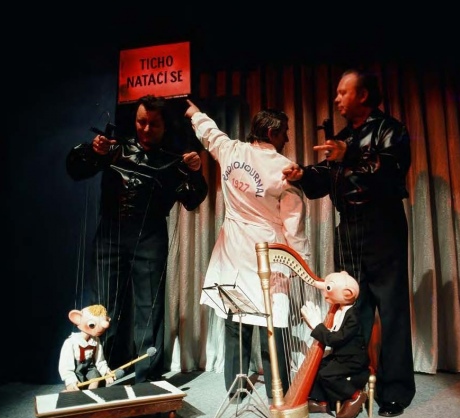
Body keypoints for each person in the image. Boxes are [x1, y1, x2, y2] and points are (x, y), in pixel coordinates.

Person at [282, 68, 416, 417]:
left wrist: (349, 153)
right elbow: (325, 179)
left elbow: (388, 170)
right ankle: (351, 386)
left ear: (364, 95)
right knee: (352, 309)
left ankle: (395, 391)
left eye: (344, 92)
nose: (337, 98)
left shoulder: (390, 129)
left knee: (391, 309)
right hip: (349, 226)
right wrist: (303, 174)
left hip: (383, 224)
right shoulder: (342, 139)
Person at [66, 94, 209, 384]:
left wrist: (195, 173)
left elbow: (192, 200)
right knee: (104, 306)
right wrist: (93, 151)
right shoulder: (115, 148)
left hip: (150, 238)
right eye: (141, 122)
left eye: (153, 124)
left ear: (164, 126)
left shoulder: (173, 159)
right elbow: (76, 170)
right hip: (110, 235)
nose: (145, 129)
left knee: (149, 307)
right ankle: (99, 371)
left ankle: (147, 375)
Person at [184, 99, 310, 401]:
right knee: (273, 322)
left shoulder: (231, 150)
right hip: (268, 251)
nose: (287, 138)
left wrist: (194, 113)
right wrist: (301, 264)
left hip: (233, 250)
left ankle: (236, 388)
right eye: (284, 132)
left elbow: (209, 133)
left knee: (236, 318)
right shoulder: (284, 169)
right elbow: (293, 223)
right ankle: (279, 390)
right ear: (271, 132)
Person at [301, 271, 370, 418]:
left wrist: (317, 326)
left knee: (328, 374)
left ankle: (355, 395)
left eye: (329, 288)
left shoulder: (354, 316)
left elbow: (335, 340)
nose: (325, 292)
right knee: (318, 366)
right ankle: (322, 402)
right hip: (341, 355)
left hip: (352, 359)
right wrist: (316, 327)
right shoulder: (339, 309)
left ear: (347, 294)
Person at [58, 304, 116, 391]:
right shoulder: (71, 342)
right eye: (92, 325)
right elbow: (65, 366)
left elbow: (100, 361)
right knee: (74, 389)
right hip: (76, 370)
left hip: (90, 368)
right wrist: (70, 380)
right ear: (77, 319)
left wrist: (106, 373)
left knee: (95, 378)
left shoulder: (96, 341)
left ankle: (91, 395)